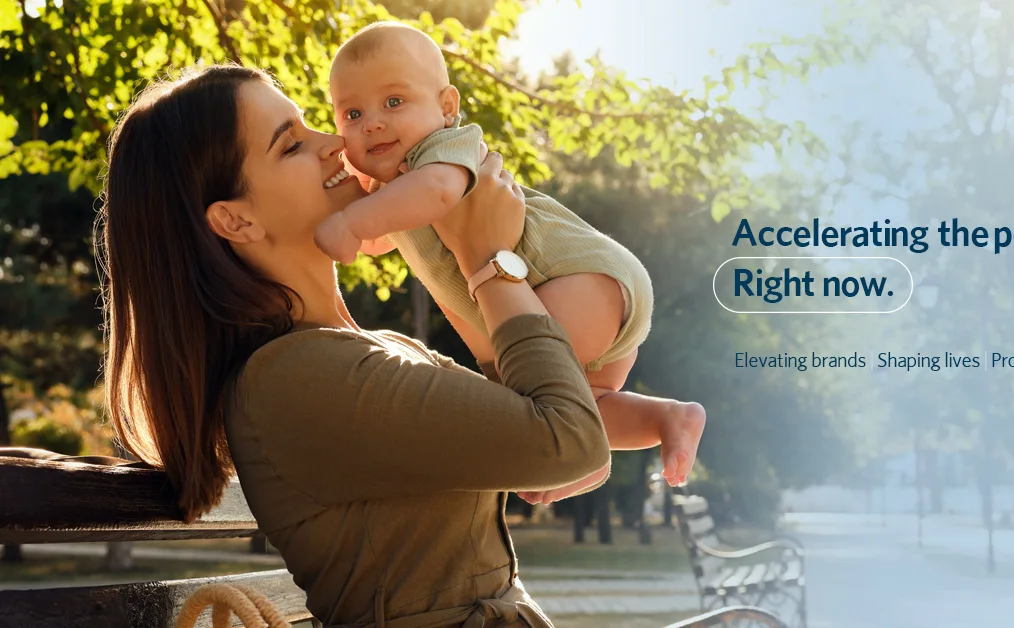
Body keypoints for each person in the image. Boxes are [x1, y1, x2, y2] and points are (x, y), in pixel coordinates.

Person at [97, 63, 610, 627]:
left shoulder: (358, 351)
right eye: (291, 145)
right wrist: (489, 262)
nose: (335, 143)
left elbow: (552, 426)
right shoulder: (292, 377)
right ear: (235, 220)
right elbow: (570, 441)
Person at [313, 22, 706, 500]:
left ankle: (569, 461)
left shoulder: (440, 154)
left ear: (447, 107)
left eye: (393, 102)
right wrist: (350, 224)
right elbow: (384, 237)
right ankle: (665, 419)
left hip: (569, 279)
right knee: (584, 406)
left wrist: (352, 222)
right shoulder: (395, 196)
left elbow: (435, 193)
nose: (372, 122)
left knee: (526, 401)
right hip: (588, 304)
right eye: (352, 113)